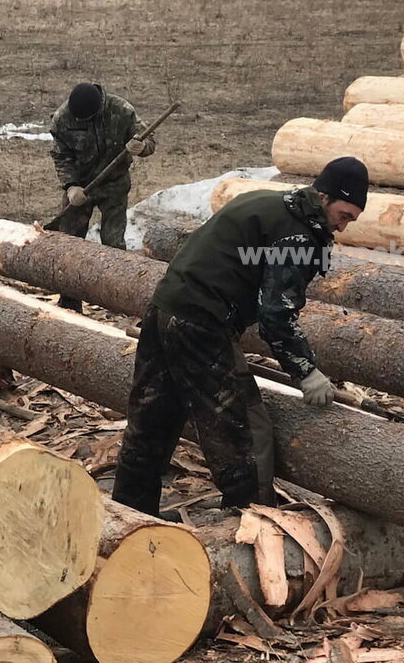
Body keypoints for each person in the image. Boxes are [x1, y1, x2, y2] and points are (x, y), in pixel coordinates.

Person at [112, 157, 369, 517]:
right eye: (343, 215)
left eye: (350, 220)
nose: (342, 227)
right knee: (245, 429)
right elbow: (276, 314)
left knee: (153, 418)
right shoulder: (298, 234)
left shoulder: (265, 202)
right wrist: (305, 370)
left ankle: (127, 515)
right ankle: (252, 523)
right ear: (324, 197)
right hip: (200, 324)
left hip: (163, 310)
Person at [49, 83, 155, 311]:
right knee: (70, 242)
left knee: (114, 243)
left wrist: (142, 146)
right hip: (81, 187)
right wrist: (71, 187)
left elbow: (150, 141)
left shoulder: (122, 110)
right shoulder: (62, 118)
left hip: (114, 185)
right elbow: (61, 156)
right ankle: (69, 299)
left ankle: (117, 298)